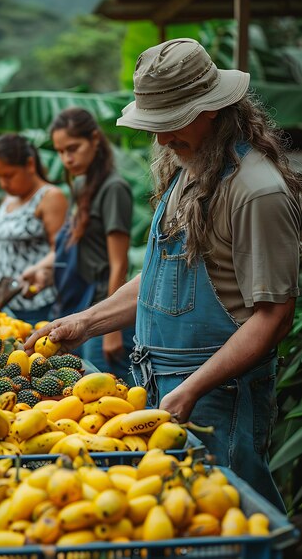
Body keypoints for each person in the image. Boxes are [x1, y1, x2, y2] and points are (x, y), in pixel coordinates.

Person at [25, 38, 302, 511]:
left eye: (171, 123)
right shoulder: (190, 170)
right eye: (155, 126)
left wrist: (190, 389)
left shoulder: (256, 191)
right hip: (168, 391)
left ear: (212, 109)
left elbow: (273, 317)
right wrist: (86, 322)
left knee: (233, 522)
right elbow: (159, 279)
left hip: (217, 398)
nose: (161, 140)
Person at [22, 107, 134, 381]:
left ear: (95, 139)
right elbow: (75, 246)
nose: (67, 159)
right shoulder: (84, 187)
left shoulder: (113, 188)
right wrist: (44, 269)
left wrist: (112, 330)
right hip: (80, 306)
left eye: (73, 148)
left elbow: (118, 262)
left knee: (106, 390)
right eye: (61, 152)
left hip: (102, 307)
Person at [0, 132, 68, 326]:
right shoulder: (9, 200)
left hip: (33, 307)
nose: (3, 184)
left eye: (9, 175)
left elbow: (61, 249)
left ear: (29, 164)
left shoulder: (50, 197)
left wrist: (37, 268)